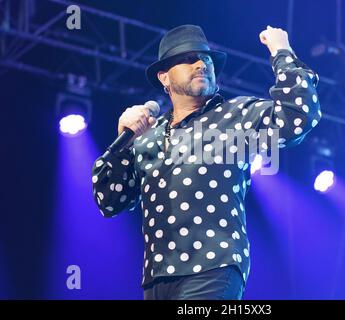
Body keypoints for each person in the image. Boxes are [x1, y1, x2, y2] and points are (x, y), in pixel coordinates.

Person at [91, 24, 321, 300]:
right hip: (157, 278)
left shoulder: (236, 115)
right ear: (164, 77)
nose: (201, 63)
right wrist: (122, 139)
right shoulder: (147, 137)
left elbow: (298, 115)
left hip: (213, 266)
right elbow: (109, 200)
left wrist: (281, 50)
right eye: (188, 59)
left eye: (206, 58)